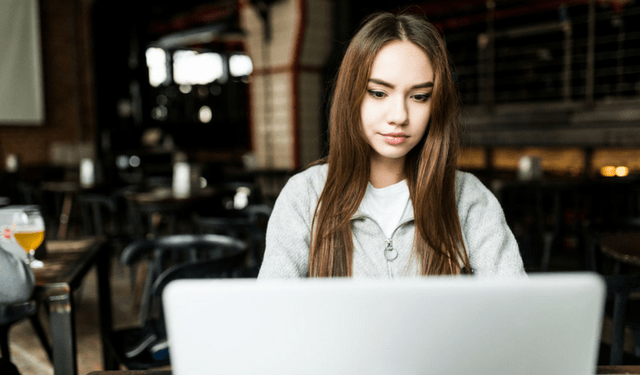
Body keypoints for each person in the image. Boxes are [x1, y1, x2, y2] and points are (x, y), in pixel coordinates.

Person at [258, 11, 525, 278]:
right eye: (378, 93)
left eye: (420, 96)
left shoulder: (468, 199)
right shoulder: (305, 197)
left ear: (437, 104)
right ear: (352, 95)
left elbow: (516, 310)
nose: (399, 116)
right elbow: (272, 313)